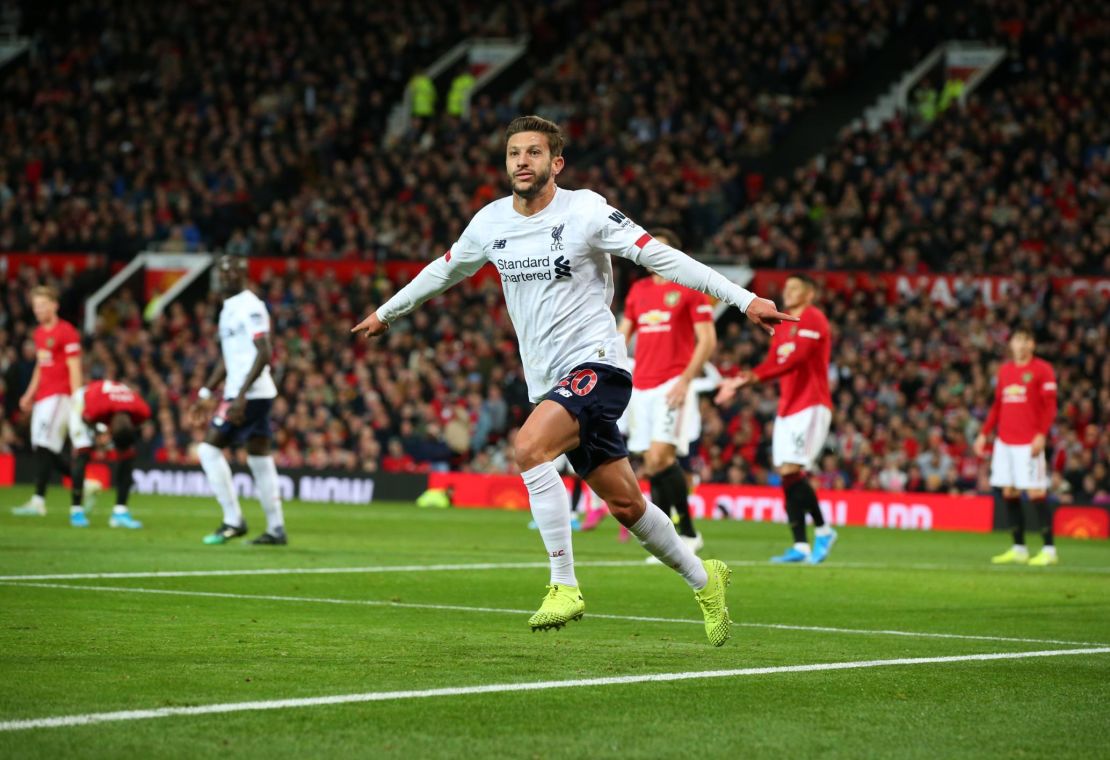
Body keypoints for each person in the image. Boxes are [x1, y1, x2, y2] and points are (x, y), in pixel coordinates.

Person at [352, 115, 795, 646]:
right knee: (627, 505)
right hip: (549, 382)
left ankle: (564, 583)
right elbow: (443, 269)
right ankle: (706, 579)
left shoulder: (586, 210)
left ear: (555, 163)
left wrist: (744, 300)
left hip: (599, 366)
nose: (522, 161)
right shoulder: (491, 222)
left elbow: (664, 257)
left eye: (534, 153)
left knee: (530, 447)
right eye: (514, 152)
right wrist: (387, 312)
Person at [715, 274, 835, 564]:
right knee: (787, 473)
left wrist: (752, 379)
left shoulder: (814, 318)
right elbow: (774, 362)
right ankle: (801, 546)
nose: (788, 291)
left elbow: (796, 360)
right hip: (787, 407)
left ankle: (823, 529)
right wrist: (743, 378)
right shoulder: (782, 326)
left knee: (793, 467)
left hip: (811, 403)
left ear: (810, 293)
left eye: (796, 288)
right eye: (787, 287)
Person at [618, 228, 716, 560]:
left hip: (672, 384)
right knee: (652, 462)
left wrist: (686, 380)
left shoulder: (689, 289)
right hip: (641, 386)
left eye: (660, 249)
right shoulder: (638, 291)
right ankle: (670, 539)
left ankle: (687, 531)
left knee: (660, 457)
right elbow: (622, 334)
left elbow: (707, 340)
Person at [188, 255, 287, 546]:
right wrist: (206, 392)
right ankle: (276, 528)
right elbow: (229, 359)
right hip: (248, 393)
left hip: (250, 395)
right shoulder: (228, 309)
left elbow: (264, 351)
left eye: (234, 271)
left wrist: (240, 396)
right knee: (259, 458)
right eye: (223, 271)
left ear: (244, 275)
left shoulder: (250, 305)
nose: (227, 276)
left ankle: (233, 520)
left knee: (208, 450)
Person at [974, 325, 1059, 566]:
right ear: (1011, 344)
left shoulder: (1043, 370)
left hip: (1028, 442)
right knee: (1009, 491)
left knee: (1035, 492)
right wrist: (983, 433)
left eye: (1025, 340)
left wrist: (1041, 434)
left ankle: (1049, 550)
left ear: (1032, 344)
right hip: (1005, 442)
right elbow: (997, 405)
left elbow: (1050, 406)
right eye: (1016, 340)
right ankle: (1019, 547)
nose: (1020, 345)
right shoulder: (1005, 371)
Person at [11, 286, 82, 524]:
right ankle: (82, 480)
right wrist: (29, 395)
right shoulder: (40, 333)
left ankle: (38, 501)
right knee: (43, 448)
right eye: (35, 306)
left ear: (55, 305)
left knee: (44, 444)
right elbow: (41, 367)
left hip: (61, 395)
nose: (38, 310)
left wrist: (77, 399)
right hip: (43, 396)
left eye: (42, 305)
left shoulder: (67, 331)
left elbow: (74, 367)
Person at [68, 378, 150, 529]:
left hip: (111, 408)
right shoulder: (95, 411)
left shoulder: (142, 410)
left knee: (128, 455)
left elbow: (137, 427)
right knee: (83, 452)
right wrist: (98, 434)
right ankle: (76, 511)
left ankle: (120, 512)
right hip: (83, 403)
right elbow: (86, 419)